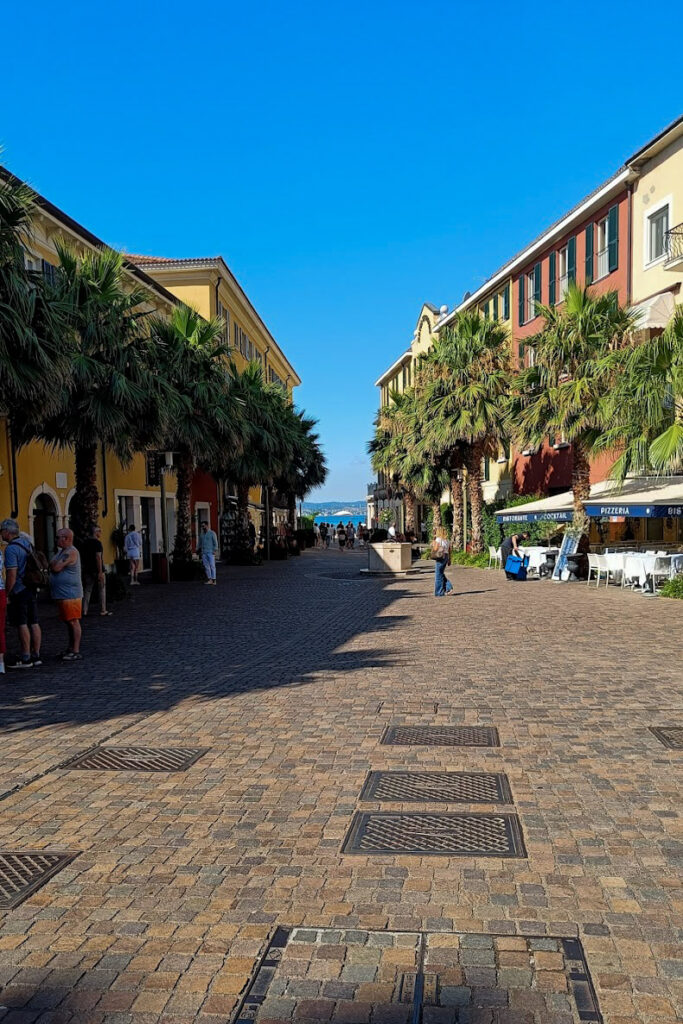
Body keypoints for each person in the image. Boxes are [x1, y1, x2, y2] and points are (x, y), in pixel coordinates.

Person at [1, 518, 42, 669]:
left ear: (7, 532)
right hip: (31, 587)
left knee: (22, 623)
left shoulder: (11, 549)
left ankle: (25, 657)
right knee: (34, 621)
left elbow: (12, 574)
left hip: (19, 589)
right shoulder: (27, 544)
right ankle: (36, 655)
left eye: (2, 531)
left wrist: (7, 593)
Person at [49, 528, 83, 661]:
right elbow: (51, 564)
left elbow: (55, 567)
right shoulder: (61, 552)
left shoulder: (71, 552)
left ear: (66, 538)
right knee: (68, 622)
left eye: (58, 537)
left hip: (71, 594)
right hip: (63, 594)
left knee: (73, 621)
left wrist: (55, 565)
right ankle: (70, 648)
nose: (56, 539)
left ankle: (75, 650)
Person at [80, 524, 111, 617]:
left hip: (87, 569)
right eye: (99, 531)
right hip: (96, 569)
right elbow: (98, 558)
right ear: (95, 532)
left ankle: (84, 610)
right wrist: (100, 572)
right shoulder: (97, 543)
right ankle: (103, 610)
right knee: (101, 589)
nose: (101, 533)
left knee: (87, 590)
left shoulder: (85, 543)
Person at [431, 527, 453, 597]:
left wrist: (433, 543)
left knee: (438, 575)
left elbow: (435, 549)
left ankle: (439, 592)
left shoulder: (438, 539)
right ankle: (448, 587)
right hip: (446, 557)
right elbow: (449, 550)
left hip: (440, 557)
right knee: (441, 573)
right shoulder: (447, 540)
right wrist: (449, 559)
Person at [197, 521, 218, 585]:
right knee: (206, 566)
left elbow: (215, 543)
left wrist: (215, 550)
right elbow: (199, 543)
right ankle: (209, 579)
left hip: (210, 552)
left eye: (203, 526)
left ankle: (214, 580)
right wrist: (197, 549)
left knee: (212, 566)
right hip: (204, 553)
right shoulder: (201, 534)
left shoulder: (212, 533)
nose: (203, 527)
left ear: (207, 525)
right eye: (202, 526)